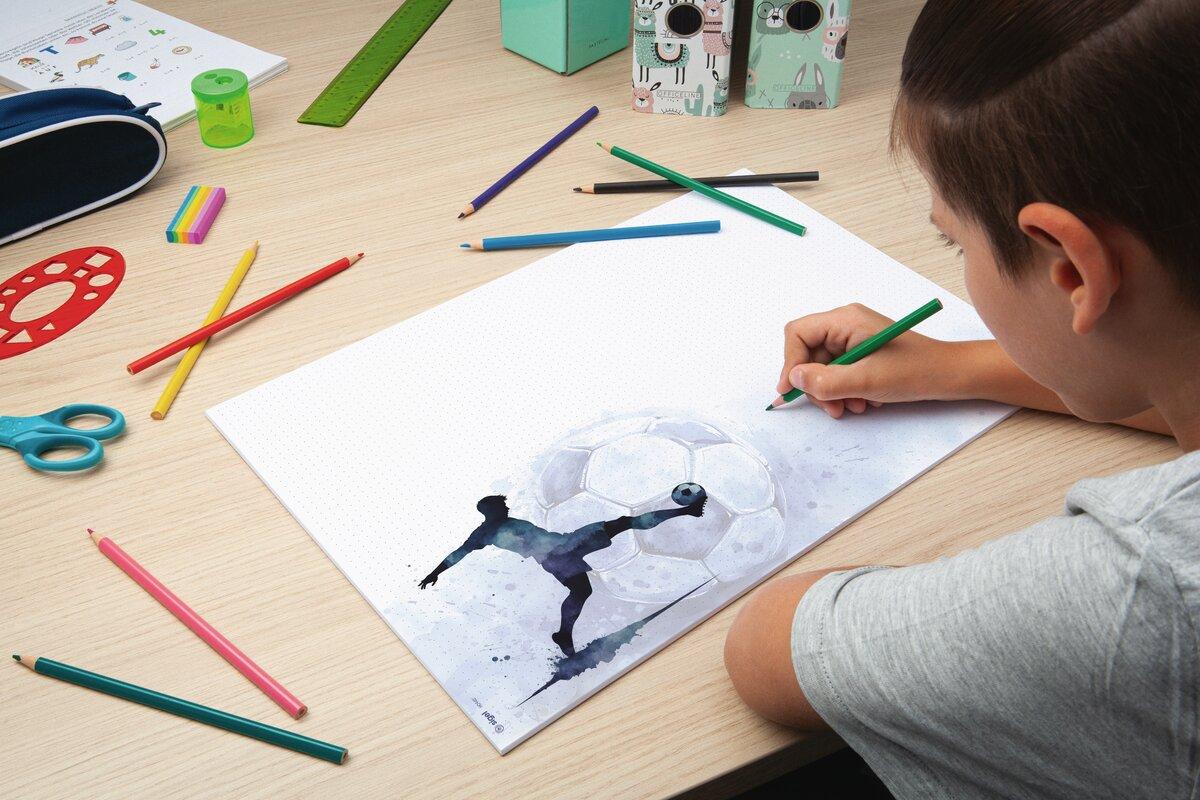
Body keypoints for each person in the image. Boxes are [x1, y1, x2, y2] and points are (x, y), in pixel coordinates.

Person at [723, 0, 1200, 797]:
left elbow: (770, 653)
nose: (957, 263)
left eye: (955, 240)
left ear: (1072, 270)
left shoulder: (1142, 586)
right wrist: (954, 367)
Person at [420, 489, 707, 656]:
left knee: (584, 588)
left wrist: (436, 573)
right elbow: (459, 553)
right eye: (500, 505)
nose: (506, 506)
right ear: (489, 509)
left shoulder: (496, 525)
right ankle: (687, 511)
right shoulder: (484, 532)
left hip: (561, 547)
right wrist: (437, 572)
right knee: (622, 524)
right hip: (560, 551)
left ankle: (563, 634)